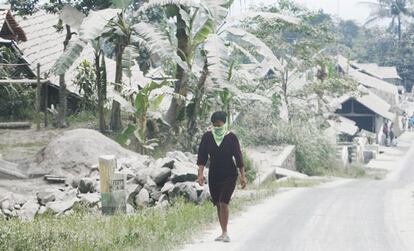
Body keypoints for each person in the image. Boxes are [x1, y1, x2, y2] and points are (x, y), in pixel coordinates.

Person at [197, 111, 247, 243]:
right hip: (214, 174)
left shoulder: (231, 137)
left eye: (218, 125)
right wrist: (200, 174)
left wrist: (242, 176)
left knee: (224, 202)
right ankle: (222, 231)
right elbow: (202, 157)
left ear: (224, 123)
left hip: (229, 174)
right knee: (218, 203)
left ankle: (225, 233)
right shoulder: (207, 137)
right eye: (214, 125)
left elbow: (238, 157)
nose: (216, 127)